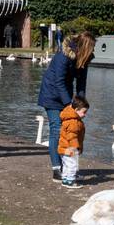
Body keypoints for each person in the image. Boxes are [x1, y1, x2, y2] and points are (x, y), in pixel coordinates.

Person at [36, 31, 95, 181]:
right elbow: (59, 81)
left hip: (65, 94)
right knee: (56, 129)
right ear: (85, 47)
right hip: (51, 94)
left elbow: (81, 83)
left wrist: (81, 104)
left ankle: (68, 168)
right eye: (92, 47)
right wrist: (69, 105)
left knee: (71, 130)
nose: (93, 51)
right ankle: (57, 170)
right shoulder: (63, 56)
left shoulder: (84, 59)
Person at [58, 95, 90, 189]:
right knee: (72, 165)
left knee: (66, 165)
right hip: (70, 149)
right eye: (84, 112)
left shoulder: (71, 118)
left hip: (64, 148)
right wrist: (76, 148)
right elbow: (72, 136)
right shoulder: (73, 122)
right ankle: (70, 181)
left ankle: (65, 179)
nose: (85, 114)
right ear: (76, 110)